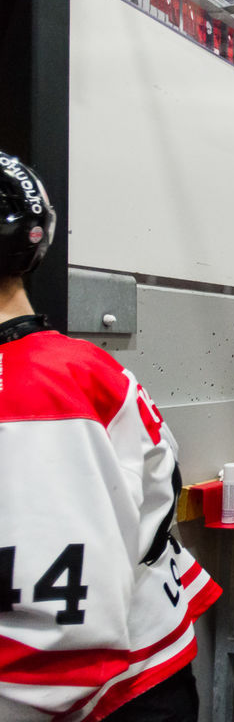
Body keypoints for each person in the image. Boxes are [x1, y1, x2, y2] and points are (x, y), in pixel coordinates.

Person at [0, 152, 220, 721]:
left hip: (114, 685)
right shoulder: (92, 368)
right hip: (152, 663)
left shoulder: (48, 382)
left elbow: (54, 641)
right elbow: (157, 492)